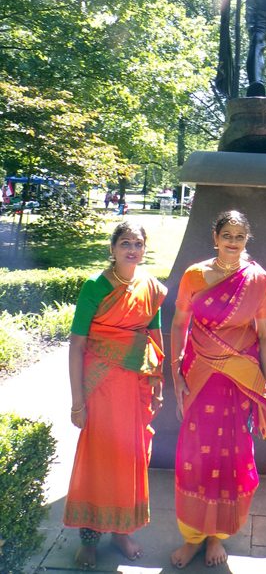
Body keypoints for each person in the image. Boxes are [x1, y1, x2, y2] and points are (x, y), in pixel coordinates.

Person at [170, 210, 266, 569]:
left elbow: (265, 335)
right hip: (198, 373)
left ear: (247, 240)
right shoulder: (195, 274)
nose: (233, 241)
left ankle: (217, 535)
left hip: (238, 380)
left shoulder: (258, 280)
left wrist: (263, 385)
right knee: (194, 454)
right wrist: (175, 372)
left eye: (240, 236)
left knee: (231, 455)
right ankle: (192, 536)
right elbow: (180, 323)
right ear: (215, 237)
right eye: (227, 234)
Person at [63, 221, 167, 570]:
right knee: (99, 460)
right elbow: (77, 345)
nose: (132, 250)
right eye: (125, 243)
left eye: (138, 243)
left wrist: (157, 381)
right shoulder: (95, 286)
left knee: (129, 459)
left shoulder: (150, 287)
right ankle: (89, 538)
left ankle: (121, 532)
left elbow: (155, 336)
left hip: (134, 387)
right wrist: (78, 402)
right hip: (100, 386)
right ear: (113, 248)